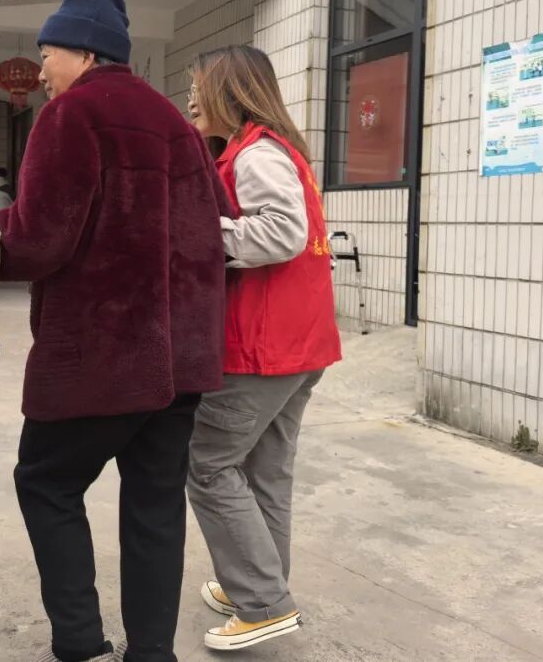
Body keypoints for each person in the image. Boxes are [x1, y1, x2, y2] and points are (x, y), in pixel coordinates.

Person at [0, 0, 231, 662]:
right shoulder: (178, 127)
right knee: (155, 505)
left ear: (87, 53)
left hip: (99, 354)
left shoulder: (72, 117)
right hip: (181, 360)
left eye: (48, 55)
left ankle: (78, 640)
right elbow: (219, 231)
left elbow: (39, 241)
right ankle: (151, 652)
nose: (41, 71)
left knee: (45, 481)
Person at [184, 44, 342, 652]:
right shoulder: (277, 149)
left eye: (198, 86)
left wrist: (194, 232)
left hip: (262, 348)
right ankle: (259, 584)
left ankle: (263, 600)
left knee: (207, 464)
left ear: (231, 90)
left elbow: (282, 232)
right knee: (265, 471)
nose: (191, 99)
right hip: (299, 345)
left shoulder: (256, 154)